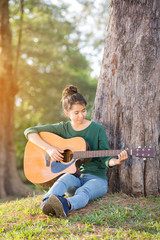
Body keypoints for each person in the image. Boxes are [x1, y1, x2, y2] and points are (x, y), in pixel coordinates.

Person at [24, 85, 128, 218]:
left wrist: (117, 161)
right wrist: (49, 149)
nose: (81, 115)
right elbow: (30, 131)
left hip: (97, 180)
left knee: (84, 192)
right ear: (67, 113)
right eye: (76, 113)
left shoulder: (97, 129)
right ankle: (46, 203)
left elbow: (105, 157)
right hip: (75, 177)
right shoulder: (63, 128)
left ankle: (65, 204)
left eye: (83, 111)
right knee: (63, 180)